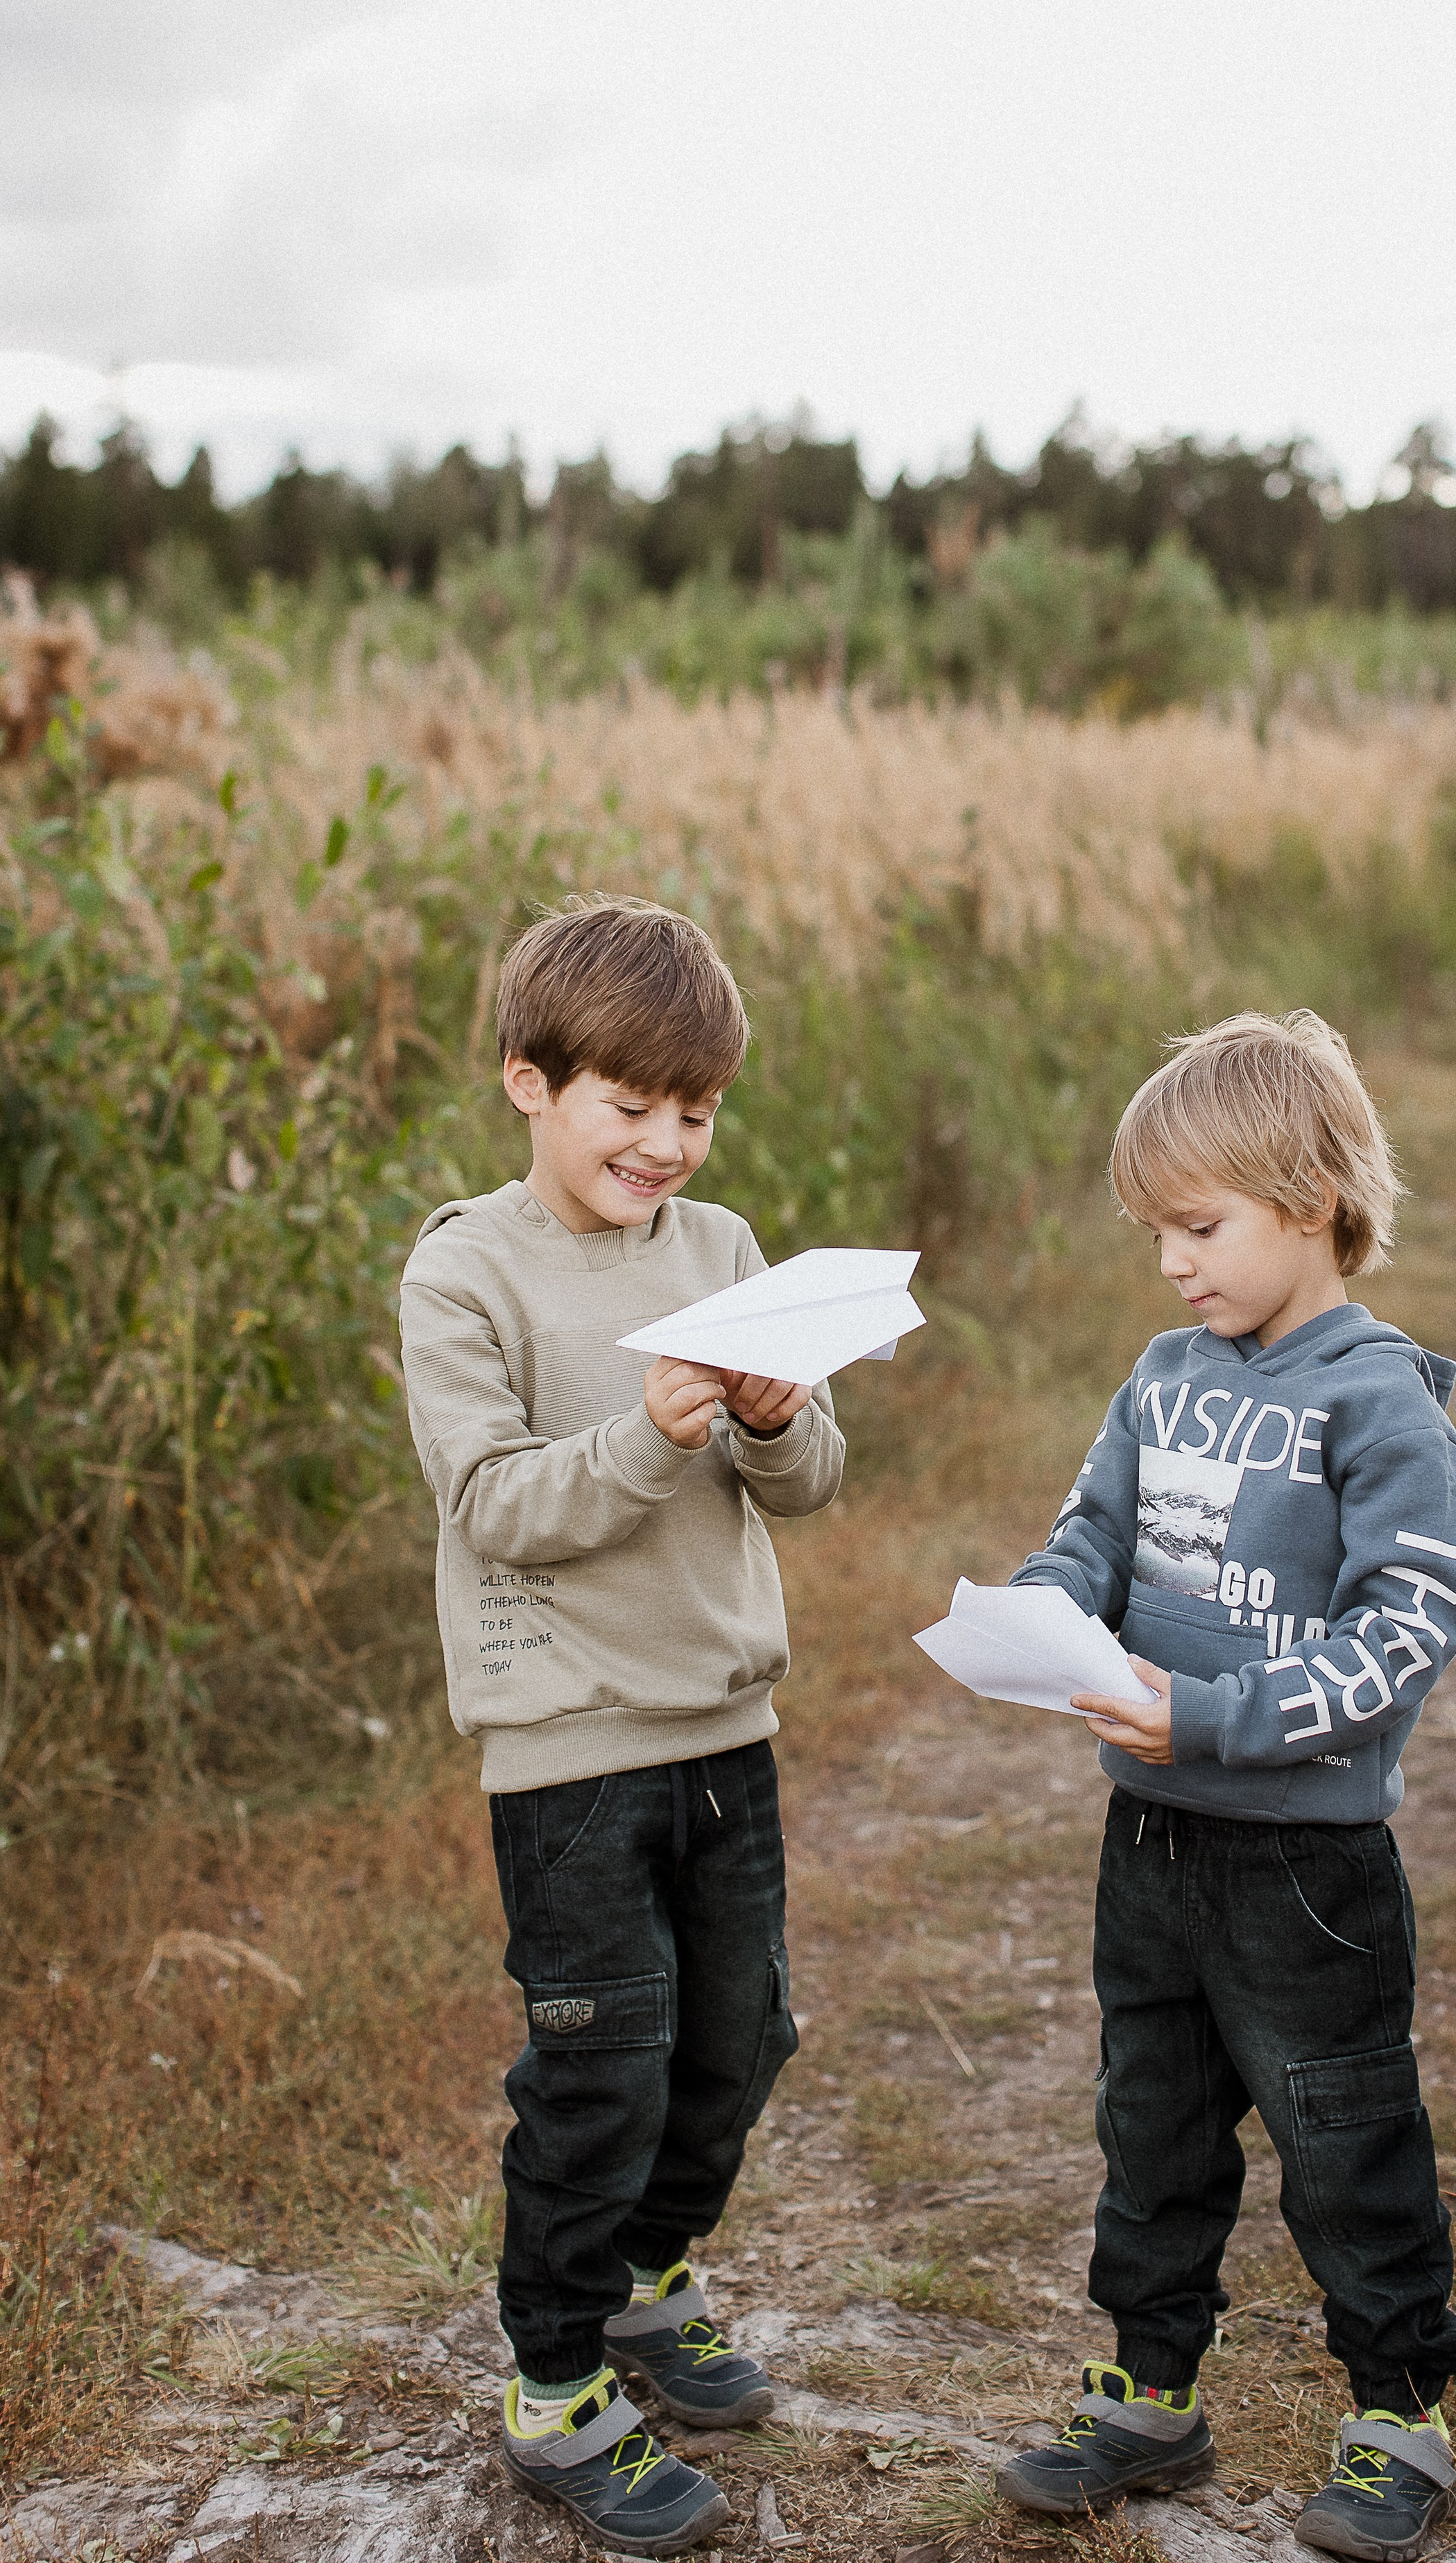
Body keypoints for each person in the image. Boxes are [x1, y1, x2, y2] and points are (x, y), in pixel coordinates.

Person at [994, 1009, 1456, 2563]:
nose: (1172, 1264)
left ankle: (1394, 2416)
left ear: (1309, 1196)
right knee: (1150, 2127)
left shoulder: (1379, 1405)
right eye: (1155, 1233)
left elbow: (1399, 1633)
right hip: (1146, 1839)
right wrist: (1041, 1607)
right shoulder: (1162, 1377)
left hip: (1303, 1864)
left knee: (1341, 2137)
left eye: (1198, 1228)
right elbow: (1092, 1528)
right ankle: (1149, 2392)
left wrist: (1208, 1711)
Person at [400, 896, 843, 2558]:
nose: (664, 1143)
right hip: (570, 1750)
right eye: (628, 1107)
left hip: (724, 1722)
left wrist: (776, 1417)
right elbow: (499, 1504)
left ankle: (652, 2282)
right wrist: (656, 1435)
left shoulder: (724, 1253)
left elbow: (804, 1484)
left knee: (742, 2040)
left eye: (696, 1111)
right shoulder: (465, 1271)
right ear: (530, 1081)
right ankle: (553, 2378)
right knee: (601, 2069)